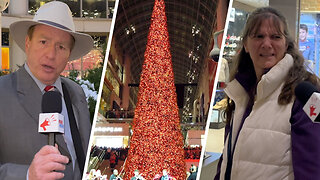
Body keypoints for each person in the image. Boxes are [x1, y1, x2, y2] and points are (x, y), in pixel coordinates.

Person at [214, 7, 320, 180]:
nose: (267, 44)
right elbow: (228, 158)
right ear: (246, 45)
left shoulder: (303, 94)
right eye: (258, 36)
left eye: (276, 37)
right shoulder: (240, 94)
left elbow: (312, 168)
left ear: (286, 44)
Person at [0, 1, 94, 180]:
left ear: (69, 54)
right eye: (43, 42)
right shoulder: (2, 93)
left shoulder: (76, 92)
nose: (51, 55)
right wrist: (27, 175)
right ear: (28, 43)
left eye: (61, 47)